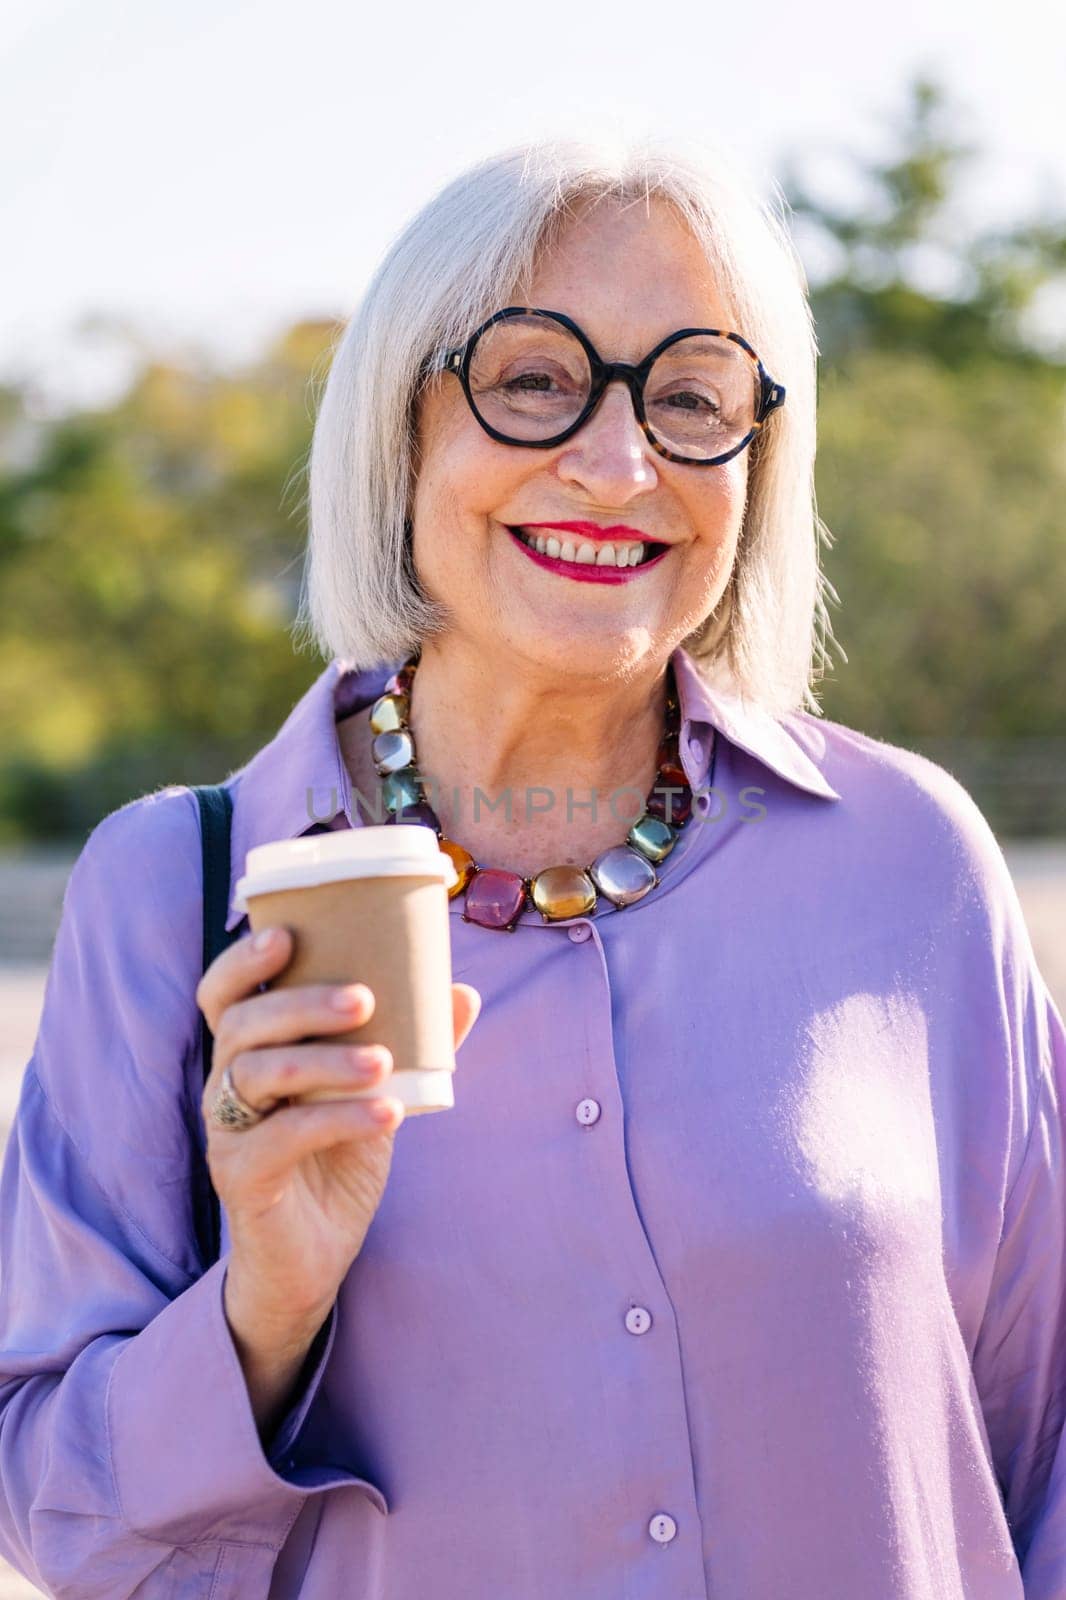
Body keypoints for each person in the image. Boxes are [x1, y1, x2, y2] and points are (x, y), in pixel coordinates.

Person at [0, 138, 1062, 1600]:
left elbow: (1045, 1441)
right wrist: (265, 1304)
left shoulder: (910, 863)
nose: (617, 463)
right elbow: (64, 1524)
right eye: (531, 379)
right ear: (400, 425)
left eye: (691, 396)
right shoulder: (172, 894)